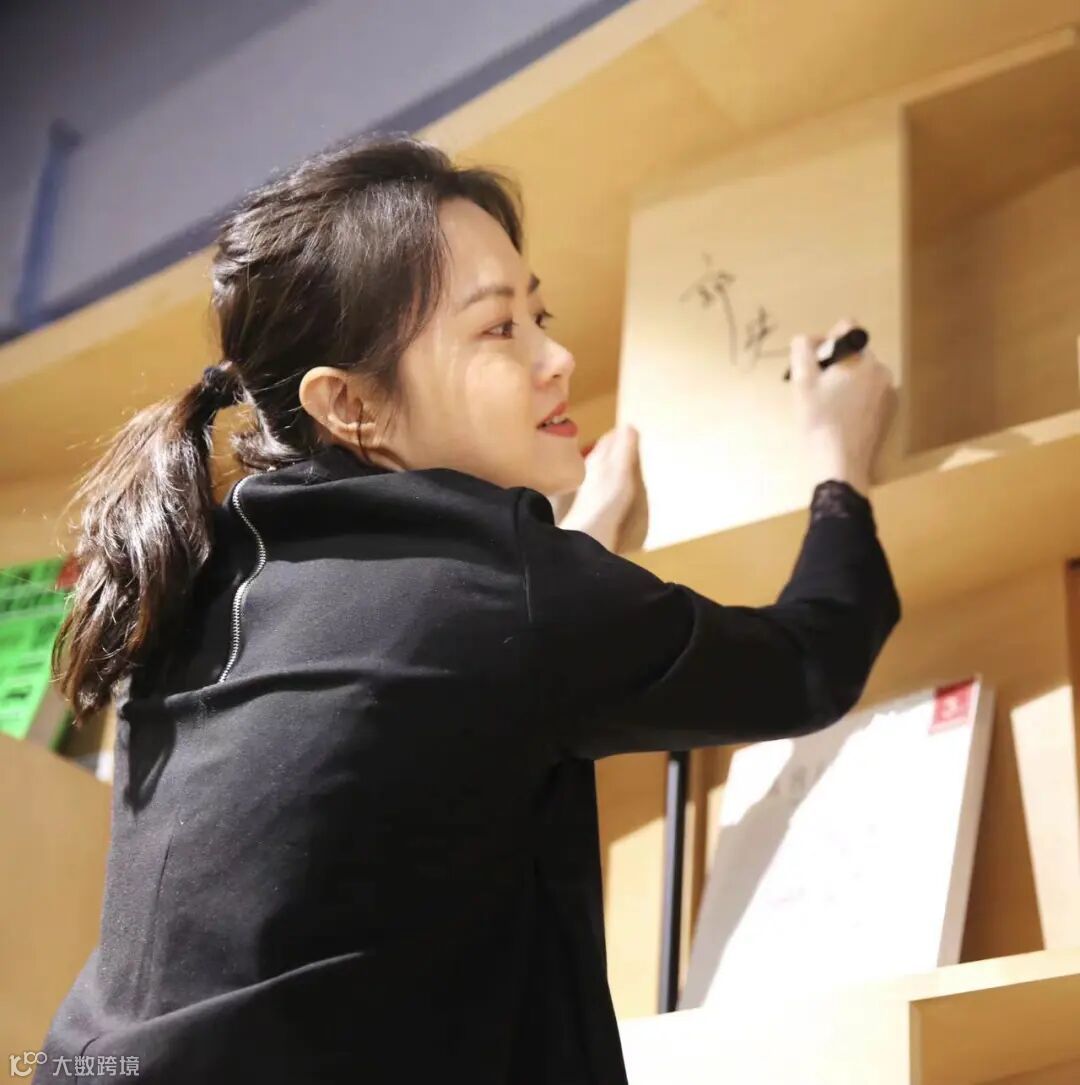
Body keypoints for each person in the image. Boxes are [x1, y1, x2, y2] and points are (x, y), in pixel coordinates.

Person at [37, 133, 901, 1085]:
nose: (558, 357)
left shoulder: (210, 572)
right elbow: (805, 663)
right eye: (499, 330)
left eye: (540, 314)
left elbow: (437, 692)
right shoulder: (502, 589)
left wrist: (580, 546)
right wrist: (841, 466)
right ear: (350, 403)